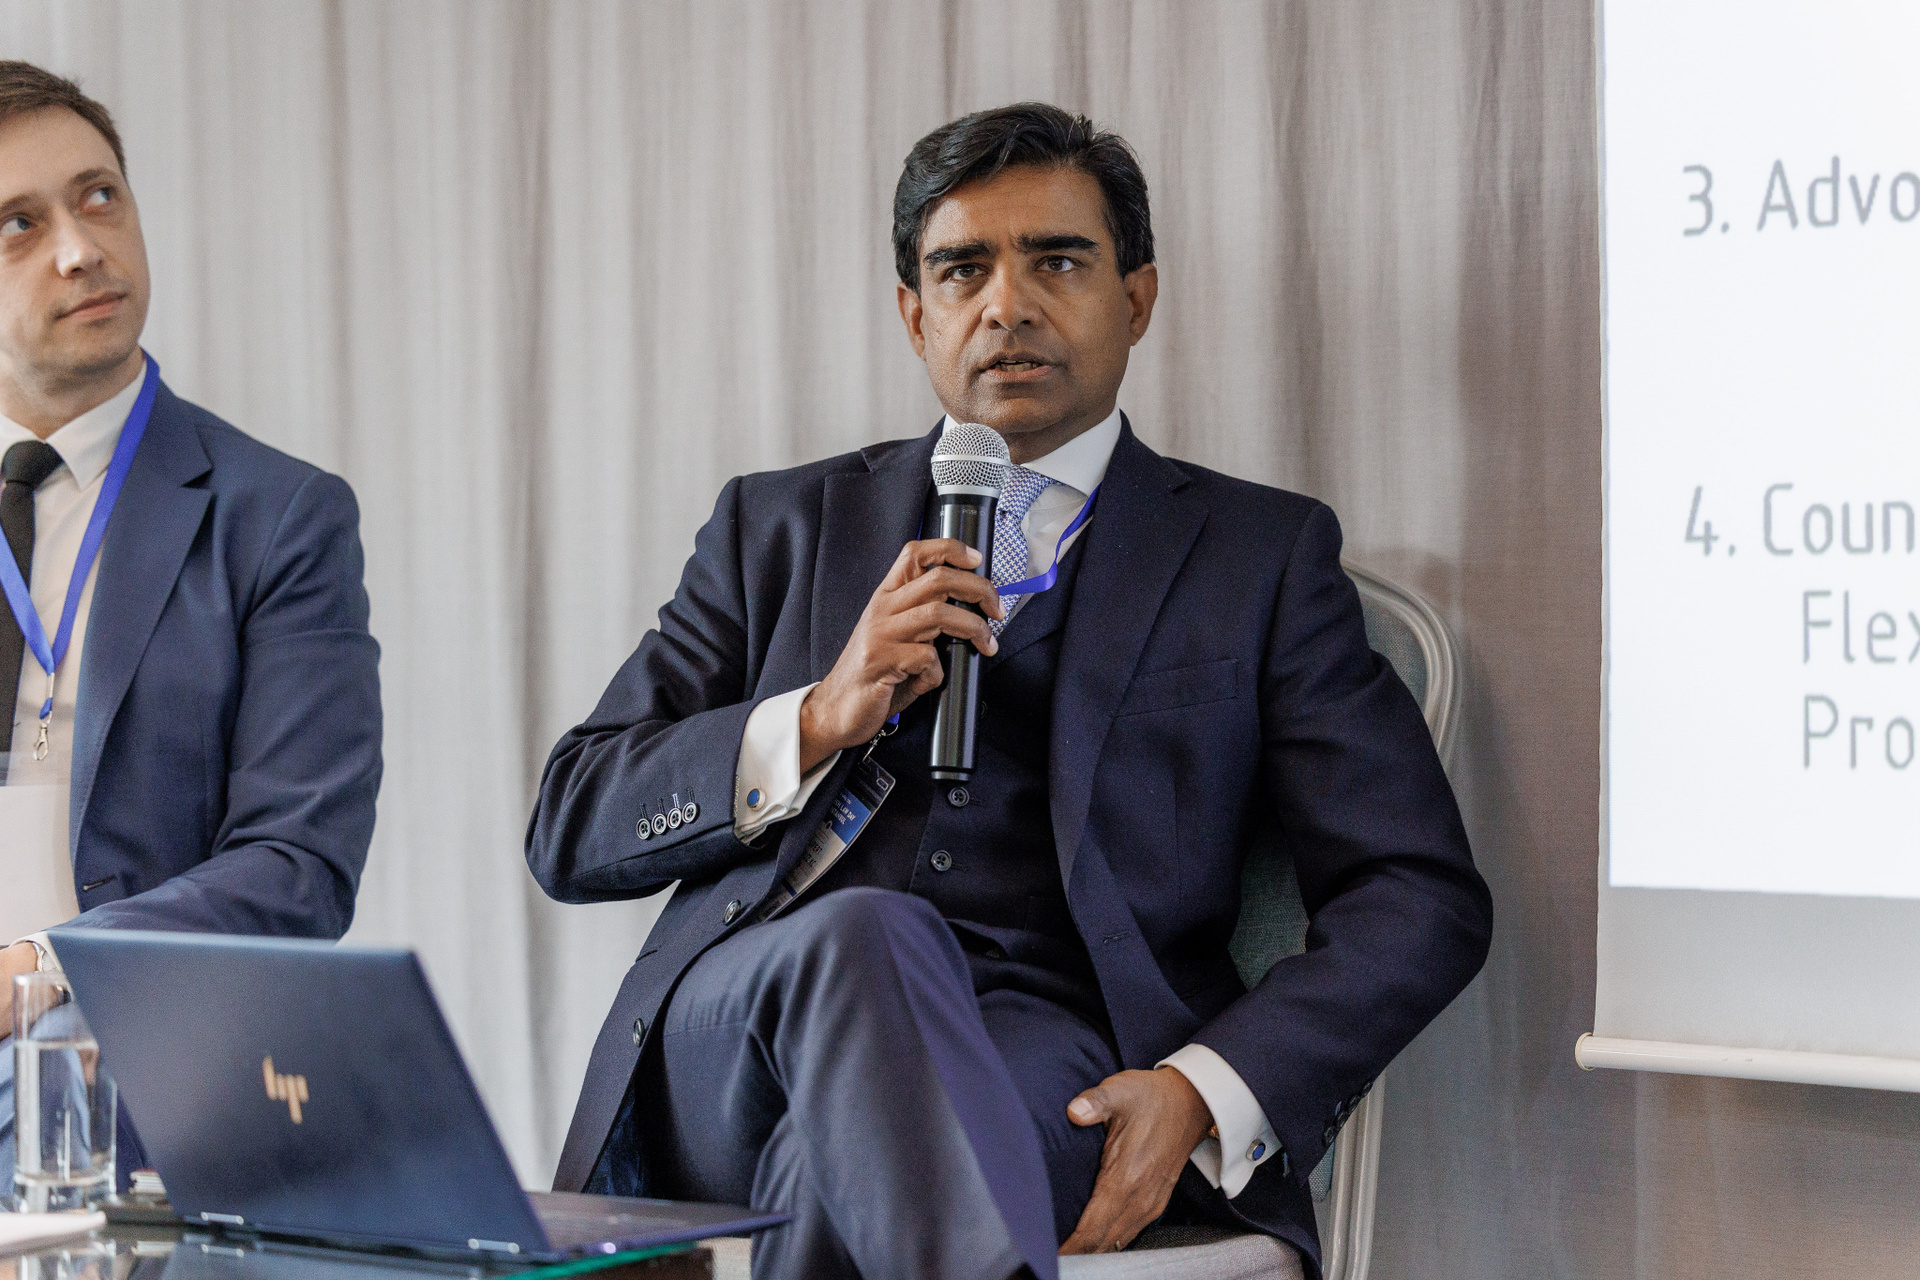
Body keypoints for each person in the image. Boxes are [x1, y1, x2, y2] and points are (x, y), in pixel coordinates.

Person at [528, 102, 1490, 1280]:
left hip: (1047, 1055)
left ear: (1137, 297)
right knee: (865, 934)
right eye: (963, 269)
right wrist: (817, 715)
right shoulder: (778, 527)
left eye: (1058, 262)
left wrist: (1203, 1089)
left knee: (835, 1168)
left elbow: (1415, 890)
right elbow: (571, 818)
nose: (1007, 305)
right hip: (744, 1031)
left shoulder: (1257, 559)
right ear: (914, 313)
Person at [0, 63, 382, 1188]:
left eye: (99, 197)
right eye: (20, 224)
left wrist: (39, 967)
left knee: (63, 1086)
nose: (81, 249)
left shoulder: (278, 515)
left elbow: (297, 866)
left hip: (131, 1043)